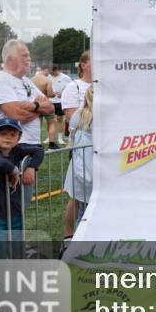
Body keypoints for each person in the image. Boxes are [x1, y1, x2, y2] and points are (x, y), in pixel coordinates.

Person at [0, 118, 44, 259]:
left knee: (17, 246)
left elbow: (39, 151)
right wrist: (14, 170)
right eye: (2, 134)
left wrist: (31, 168)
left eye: (12, 134)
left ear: (19, 137)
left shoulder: (17, 150)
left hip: (14, 209)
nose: (8, 137)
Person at [0, 40, 54, 151]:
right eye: (25, 56)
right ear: (10, 59)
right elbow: (17, 115)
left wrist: (33, 106)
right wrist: (39, 108)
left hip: (32, 144)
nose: (29, 59)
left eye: (29, 56)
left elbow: (51, 107)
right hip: (8, 149)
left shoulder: (27, 81)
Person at [63, 86, 94, 241]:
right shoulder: (99, 117)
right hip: (91, 166)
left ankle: (70, 237)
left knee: (78, 202)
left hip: (78, 164)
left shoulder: (78, 115)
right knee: (86, 209)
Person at [60, 50, 91, 131]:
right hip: (84, 140)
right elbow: (73, 121)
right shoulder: (73, 87)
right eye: (95, 62)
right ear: (83, 65)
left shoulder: (104, 87)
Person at [49, 65, 72, 147]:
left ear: (57, 70)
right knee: (50, 120)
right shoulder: (49, 77)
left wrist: (63, 94)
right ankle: (49, 138)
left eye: (52, 72)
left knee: (60, 119)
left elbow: (71, 88)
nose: (51, 73)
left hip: (59, 102)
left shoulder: (65, 77)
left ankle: (60, 138)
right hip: (50, 101)